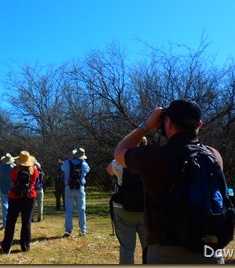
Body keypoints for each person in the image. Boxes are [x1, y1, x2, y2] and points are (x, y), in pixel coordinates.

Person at [113, 99, 225, 264]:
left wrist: (146, 126)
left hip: (167, 251)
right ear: (199, 125)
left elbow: (120, 152)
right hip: (210, 248)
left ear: (168, 122)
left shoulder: (153, 156)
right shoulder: (214, 155)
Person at [107, 137, 148, 264]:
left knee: (127, 248)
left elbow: (109, 170)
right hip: (146, 209)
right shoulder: (151, 161)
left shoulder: (119, 162)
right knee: (149, 248)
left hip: (123, 208)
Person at [1, 151, 39, 254]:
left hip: (15, 197)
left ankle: (6, 247)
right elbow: (34, 183)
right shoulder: (34, 171)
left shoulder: (14, 170)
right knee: (26, 223)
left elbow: (13, 181)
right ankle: (25, 245)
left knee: (10, 223)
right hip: (29, 196)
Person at [61, 148, 90, 237]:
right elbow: (88, 170)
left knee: (69, 210)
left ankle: (68, 230)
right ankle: (83, 230)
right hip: (80, 188)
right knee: (81, 210)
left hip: (69, 188)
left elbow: (62, 169)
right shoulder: (84, 164)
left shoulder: (66, 163)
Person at [0, 153, 15, 229]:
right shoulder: (13, 167)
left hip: (3, 188)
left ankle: (5, 224)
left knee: (4, 207)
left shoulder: (0, 167)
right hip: (12, 189)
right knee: (12, 207)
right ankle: (11, 224)